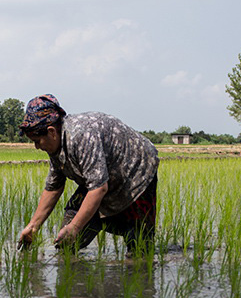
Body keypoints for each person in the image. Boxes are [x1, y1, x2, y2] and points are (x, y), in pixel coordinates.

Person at [16, 94, 159, 254]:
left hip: (137, 171)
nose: (36, 147)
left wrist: (75, 227)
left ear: (51, 132)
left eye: (37, 141)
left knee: (140, 250)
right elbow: (54, 187)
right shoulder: (56, 145)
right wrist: (33, 227)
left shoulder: (81, 136)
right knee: (66, 243)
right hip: (102, 178)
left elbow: (99, 189)